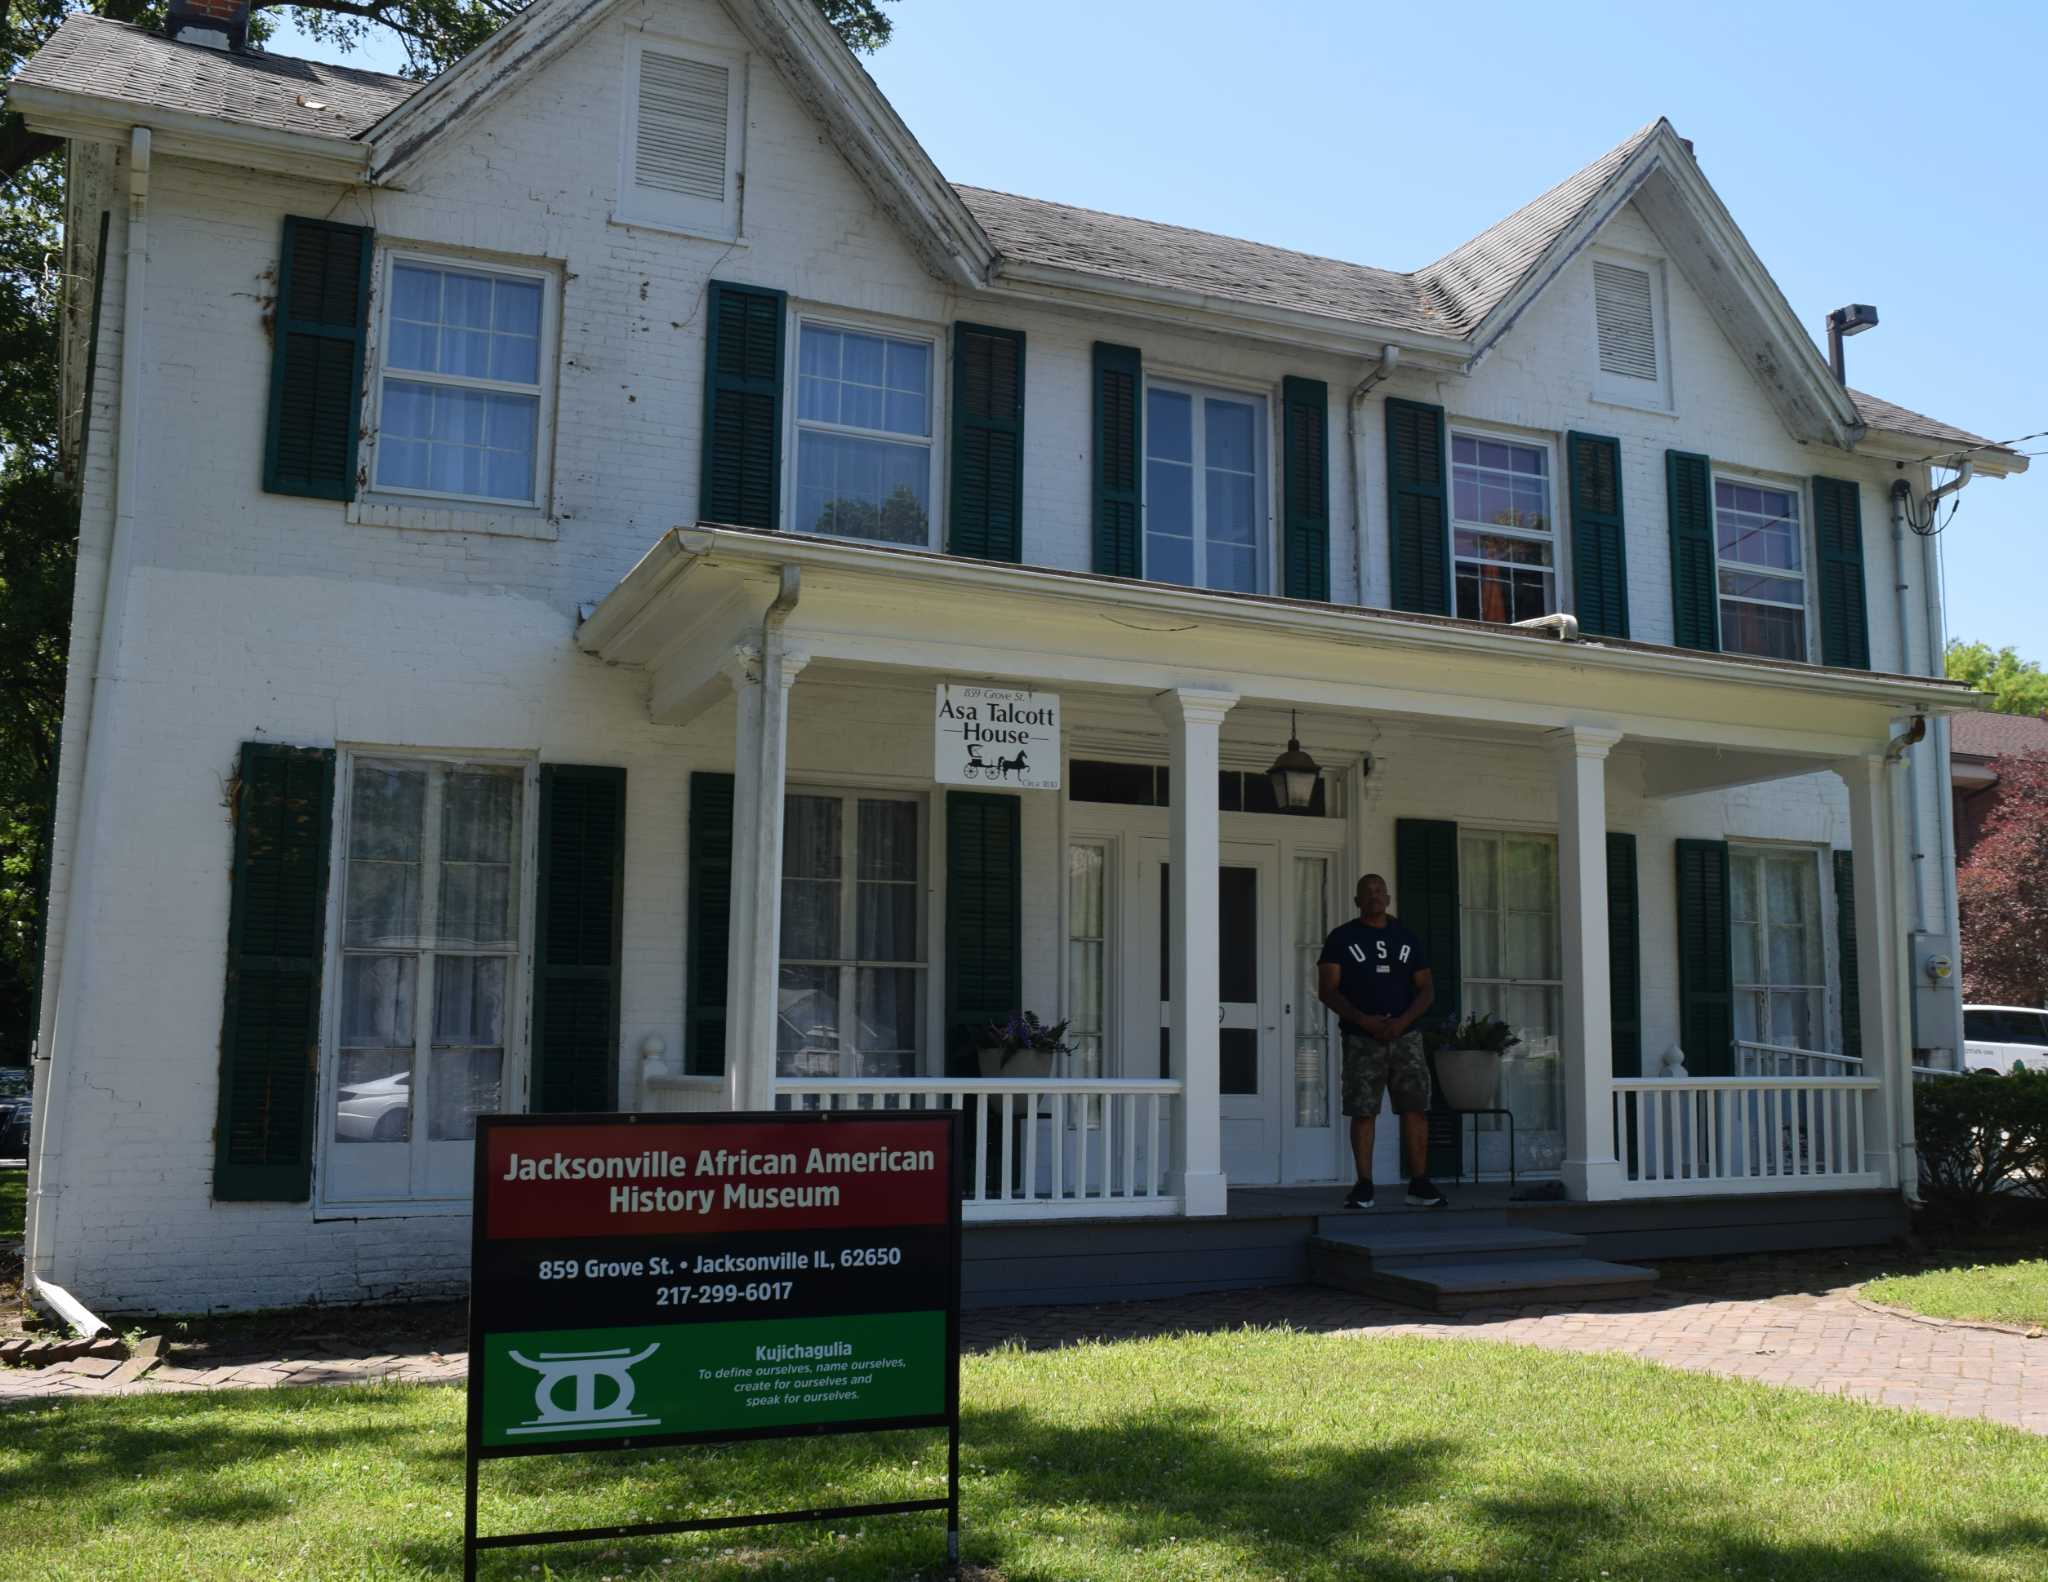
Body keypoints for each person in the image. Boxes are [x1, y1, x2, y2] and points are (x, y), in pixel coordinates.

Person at [1316, 873, 1444, 1210]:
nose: (1374, 896)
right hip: (1362, 1038)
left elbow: (1426, 987)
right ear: (1357, 901)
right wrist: (1363, 1019)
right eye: (1366, 892)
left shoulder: (1407, 937)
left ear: (1388, 898)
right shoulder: (1341, 938)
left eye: (1379, 891)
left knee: (1415, 1107)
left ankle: (1419, 1184)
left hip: (1406, 1037)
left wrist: (1403, 1021)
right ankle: (1364, 1185)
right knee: (1363, 1110)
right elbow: (1328, 989)